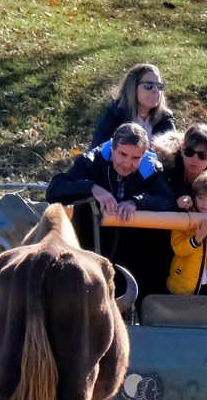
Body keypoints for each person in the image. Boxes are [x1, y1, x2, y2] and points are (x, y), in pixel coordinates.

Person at [46, 121, 176, 300]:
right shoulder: (91, 162)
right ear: (112, 147)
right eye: (122, 154)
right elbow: (55, 190)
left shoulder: (151, 169)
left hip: (133, 261)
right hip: (90, 256)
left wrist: (136, 202)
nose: (127, 163)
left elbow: (168, 201)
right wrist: (92, 188)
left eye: (135, 158)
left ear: (143, 155)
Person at [91, 63, 175, 149]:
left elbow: (174, 156)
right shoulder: (114, 116)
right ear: (132, 88)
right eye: (148, 86)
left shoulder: (165, 119)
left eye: (159, 86)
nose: (155, 90)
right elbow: (96, 155)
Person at [155, 123, 207, 211]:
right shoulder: (166, 168)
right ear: (181, 148)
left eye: (202, 155)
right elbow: (159, 200)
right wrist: (177, 203)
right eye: (189, 152)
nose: (195, 160)